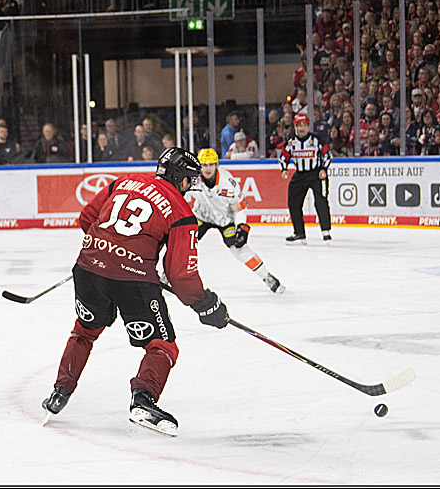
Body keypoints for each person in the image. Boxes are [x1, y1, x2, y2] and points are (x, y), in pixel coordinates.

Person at [41, 148, 229, 437]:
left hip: (88, 268)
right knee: (163, 344)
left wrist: (106, 250)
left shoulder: (124, 181)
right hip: (132, 282)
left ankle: (60, 391)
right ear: (180, 177)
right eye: (188, 180)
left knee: (84, 330)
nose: (189, 188)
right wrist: (206, 305)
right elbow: (181, 274)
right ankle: (143, 400)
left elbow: (86, 217)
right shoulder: (181, 211)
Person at [189, 149, 285, 293]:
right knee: (184, 243)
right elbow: (179, 196)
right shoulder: (192, 180)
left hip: (224, 220)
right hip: (201, 217)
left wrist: (242, 226)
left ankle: (266, 276)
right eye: (204, 165)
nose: (207, 168)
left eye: (211, 164)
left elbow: (240, 205)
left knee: (239, 248)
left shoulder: (227, 182)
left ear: (217, 165)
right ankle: (166, 276)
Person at [279, 113, 332, 243]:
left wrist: (324, 169)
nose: (301, 128)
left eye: (304, 125)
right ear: (295, 127)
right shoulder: (291, 142)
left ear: (308, 126)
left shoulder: (317, 140)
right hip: (300, 174)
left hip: (316, 174)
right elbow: (283, 156)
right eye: (299, 126)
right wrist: (284, 169)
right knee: (293, 202)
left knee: (321, 201)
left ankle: (326, 231)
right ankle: (299, 232)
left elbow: (327, 155)